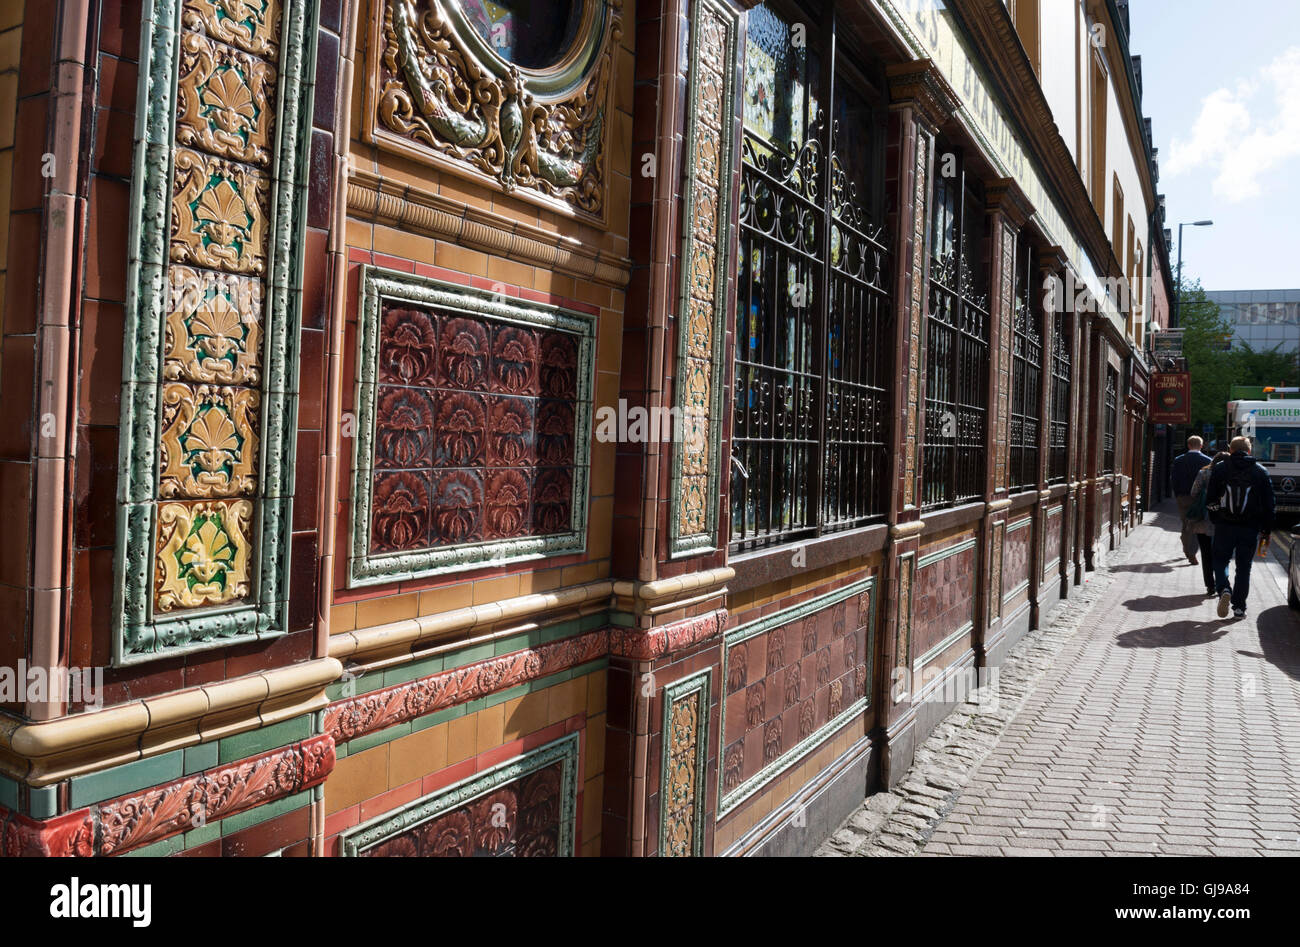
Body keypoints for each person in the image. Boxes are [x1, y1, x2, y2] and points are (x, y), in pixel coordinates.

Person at [1206, 436, 1276, 618]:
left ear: (1231, 450)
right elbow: (1269, 505)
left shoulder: (1221, 468)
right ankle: (1239, 608)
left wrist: (1216, 517)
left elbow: (1211, 499)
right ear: (1249, 451)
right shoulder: (1260, 472)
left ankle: (1223, 589)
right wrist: (1266, 529)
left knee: (1220, 561)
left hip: (1224, 525)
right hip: (1250, 527)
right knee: (1244, 567)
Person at [1185, 451, 1229, 597]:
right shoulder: (1231, 473)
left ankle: (1210, 586)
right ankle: (1222, 584)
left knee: (1206, 554)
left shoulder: (1204, 473)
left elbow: (1193, 492)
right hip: (1224, 520)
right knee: (1222, 554)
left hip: (1203, 519)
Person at [1171, 435, 1213, 564]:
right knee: (1195, 524)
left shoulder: (1178, 460)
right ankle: (1191, 553)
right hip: (1200, 499)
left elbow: (1174, 479)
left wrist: (1178, 494)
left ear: (1188, 445)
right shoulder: (1208, 461)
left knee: (1186, 523)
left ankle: (1187, 547)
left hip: (1183, 497)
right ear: (1201, 446)